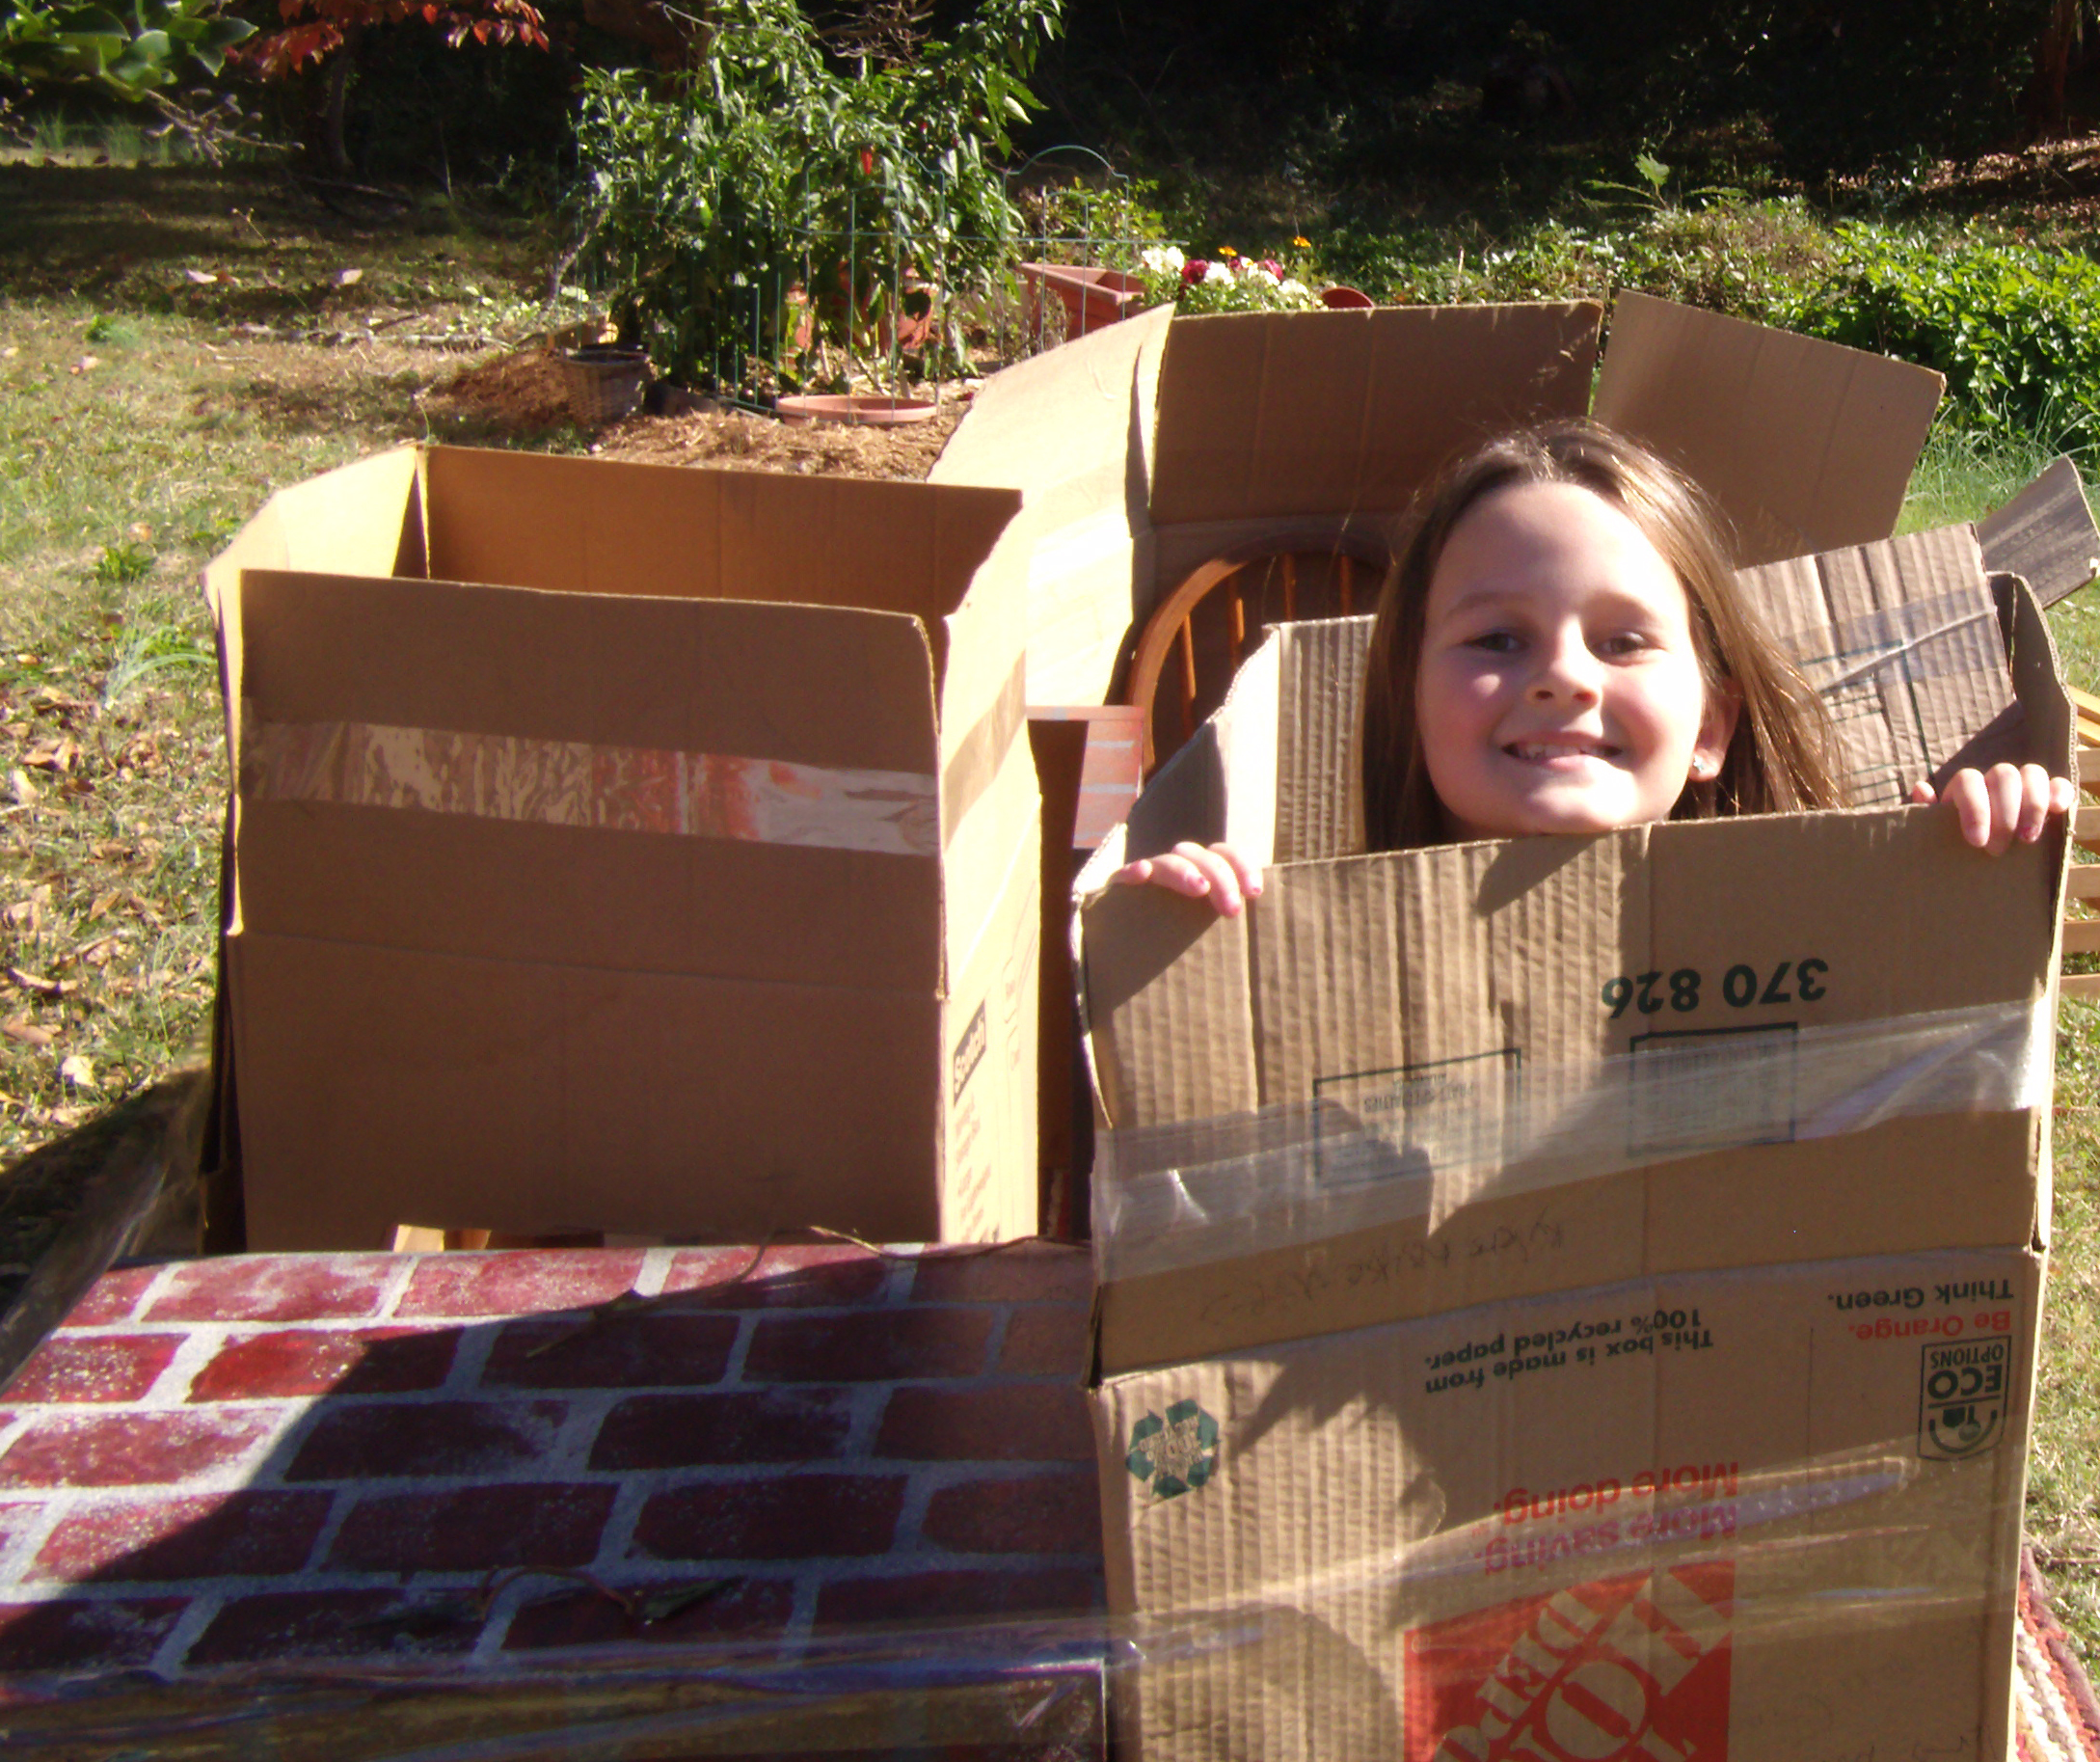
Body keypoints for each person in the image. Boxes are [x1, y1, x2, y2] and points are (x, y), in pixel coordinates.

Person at [1117, 420, 2075, 913]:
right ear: (1407, 704)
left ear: (1709, 727)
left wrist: (1968, 856)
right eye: (1497, 639)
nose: (1562, 676)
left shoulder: (1823, 927)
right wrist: (1175, 937)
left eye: (1623, 641)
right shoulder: (1288, 940)